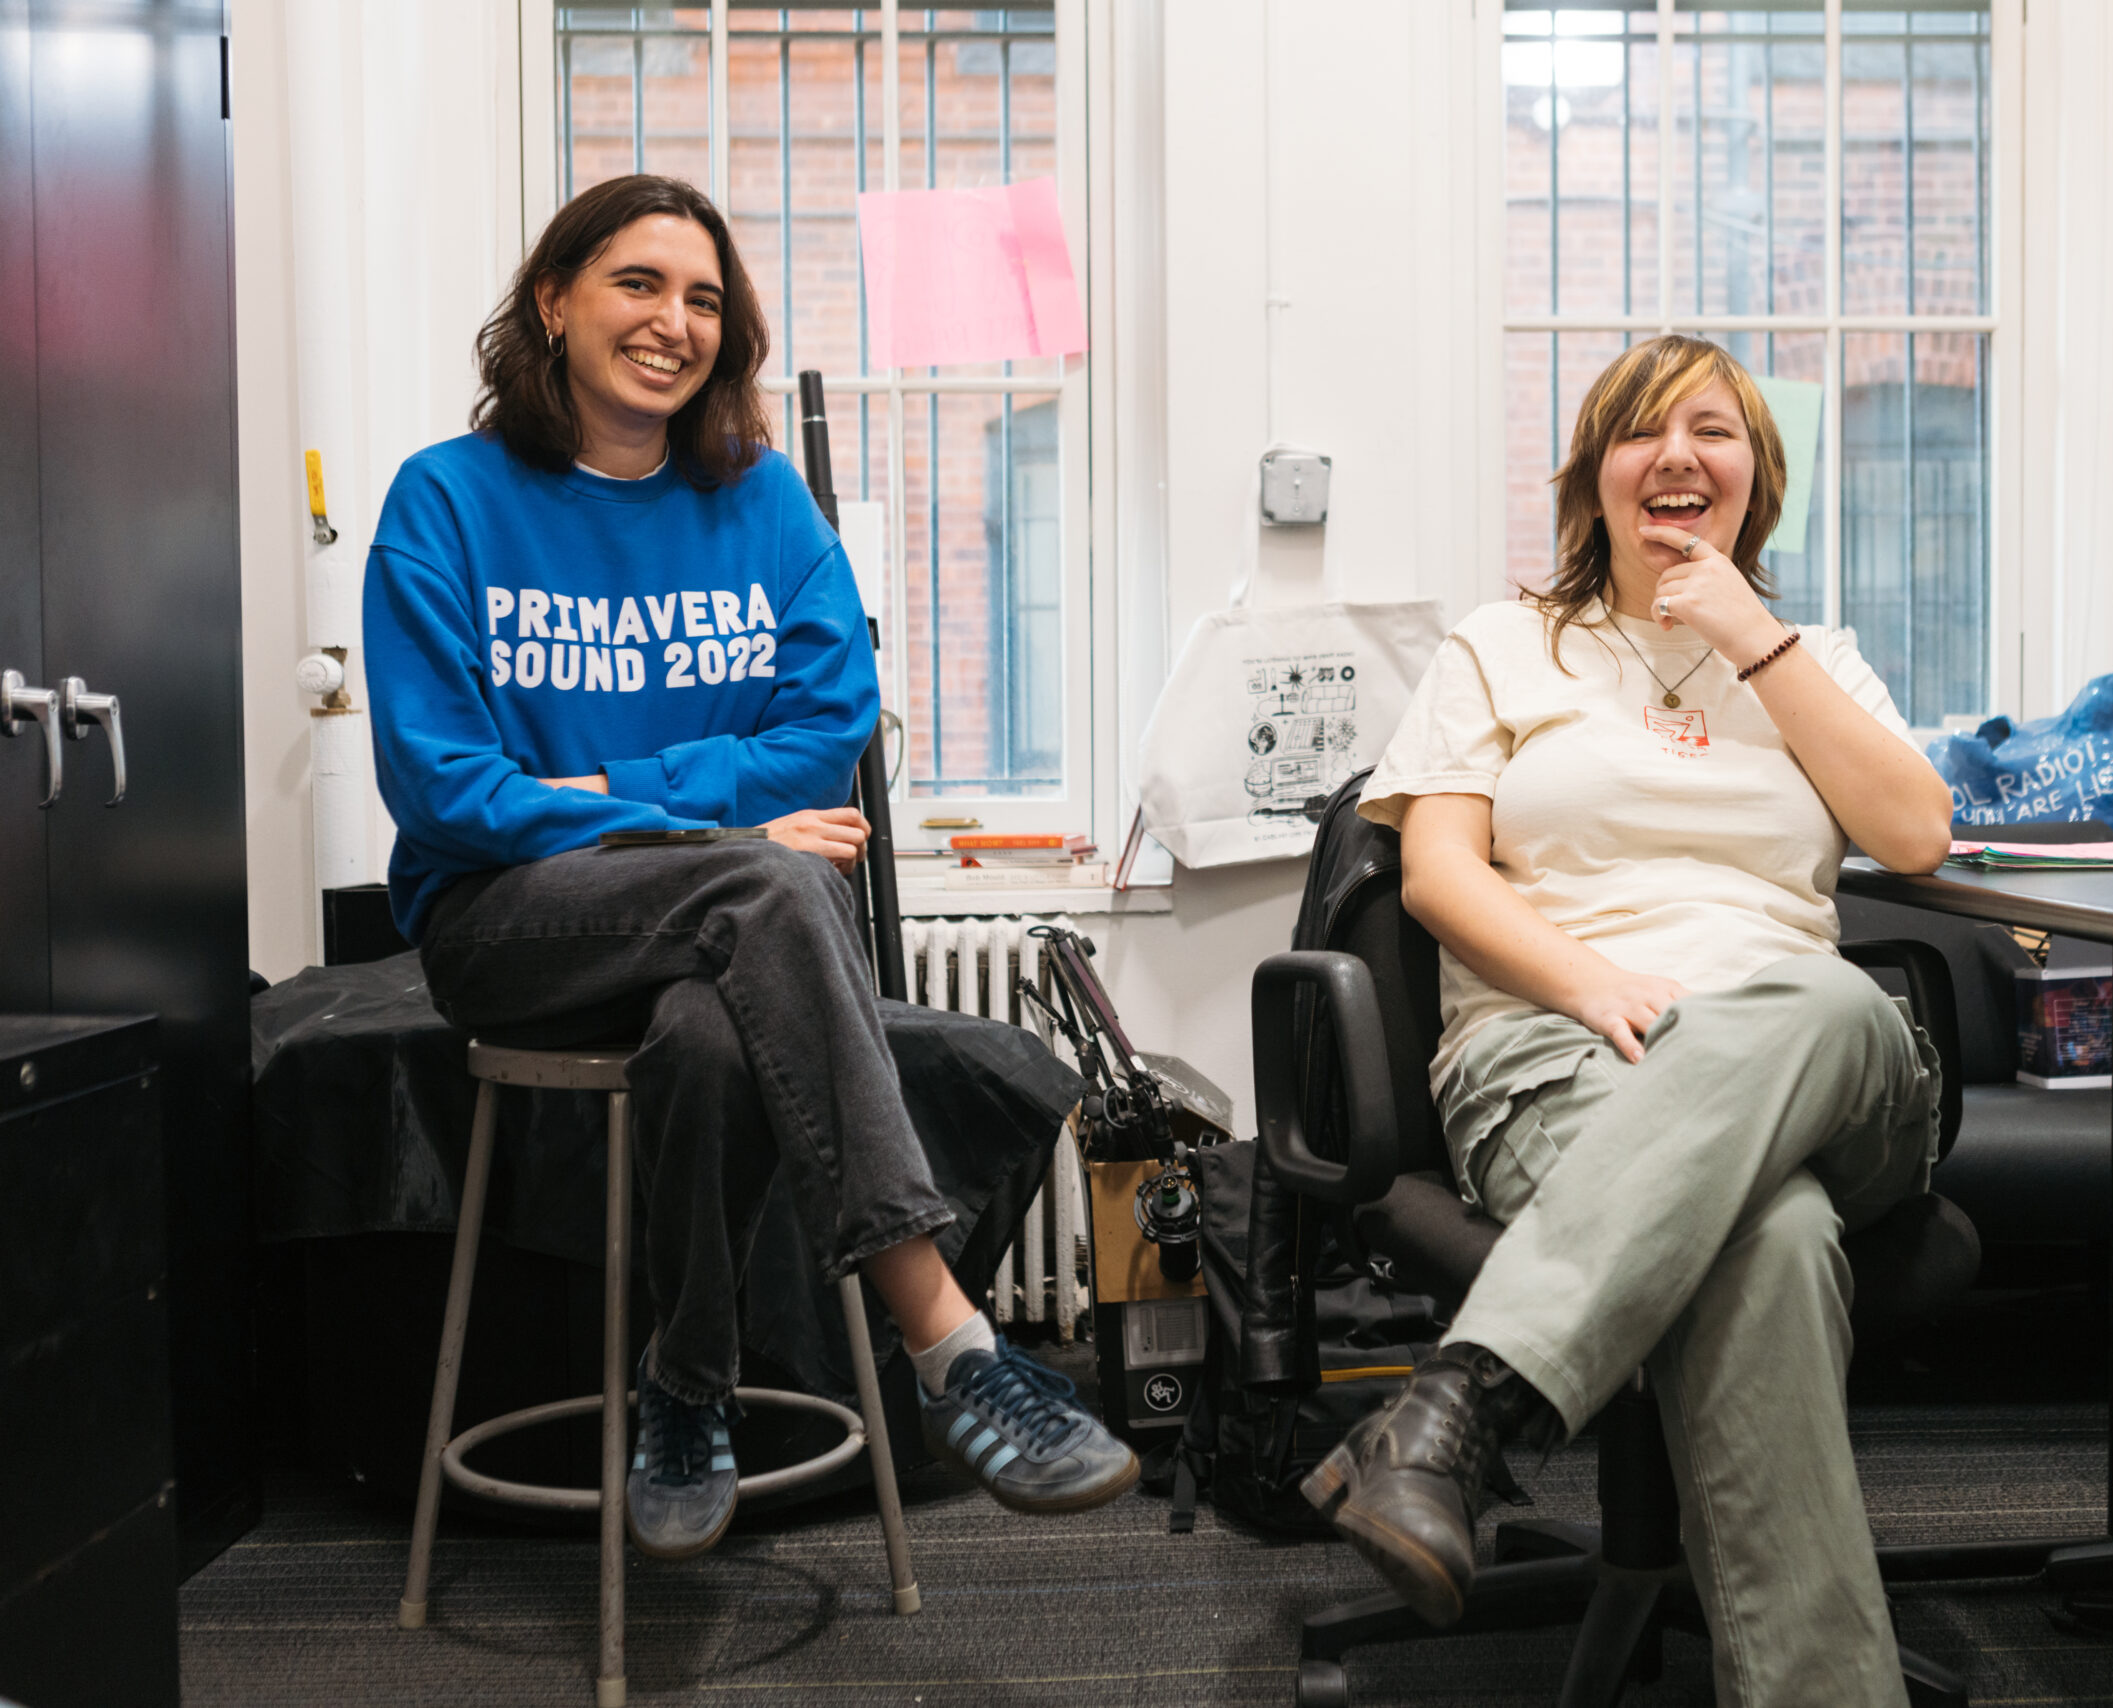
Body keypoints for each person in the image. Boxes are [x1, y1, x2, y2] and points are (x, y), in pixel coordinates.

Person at [363, 173, 1136, 1561]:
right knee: (770, 883)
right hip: (509, 932)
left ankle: (685, 1383)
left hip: (703, 938)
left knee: (716, 1029)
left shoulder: (761, 503)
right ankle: (947, 1334)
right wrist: (705, 828)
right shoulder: (448, 502)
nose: (675, 322)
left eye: (705, 298)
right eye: (639, 285)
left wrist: (612, 793)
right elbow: (445, 791)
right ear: (555, 301)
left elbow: (828, 732)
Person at [1302, 335, 1954, 1706]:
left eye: (1712, 433)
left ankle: (1467, 1400)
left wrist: (1748, 638)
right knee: (1767, 1243)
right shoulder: (1503, 646)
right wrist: (1587, 982)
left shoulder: (1812, 659)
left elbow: (1917, 832)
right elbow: (1437, 872)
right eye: (1639, 435)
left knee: (1825, 995)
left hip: (1827, 1063)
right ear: (1593, 480)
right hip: (1563, 1049)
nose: (1676, 457)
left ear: (1755, 481)